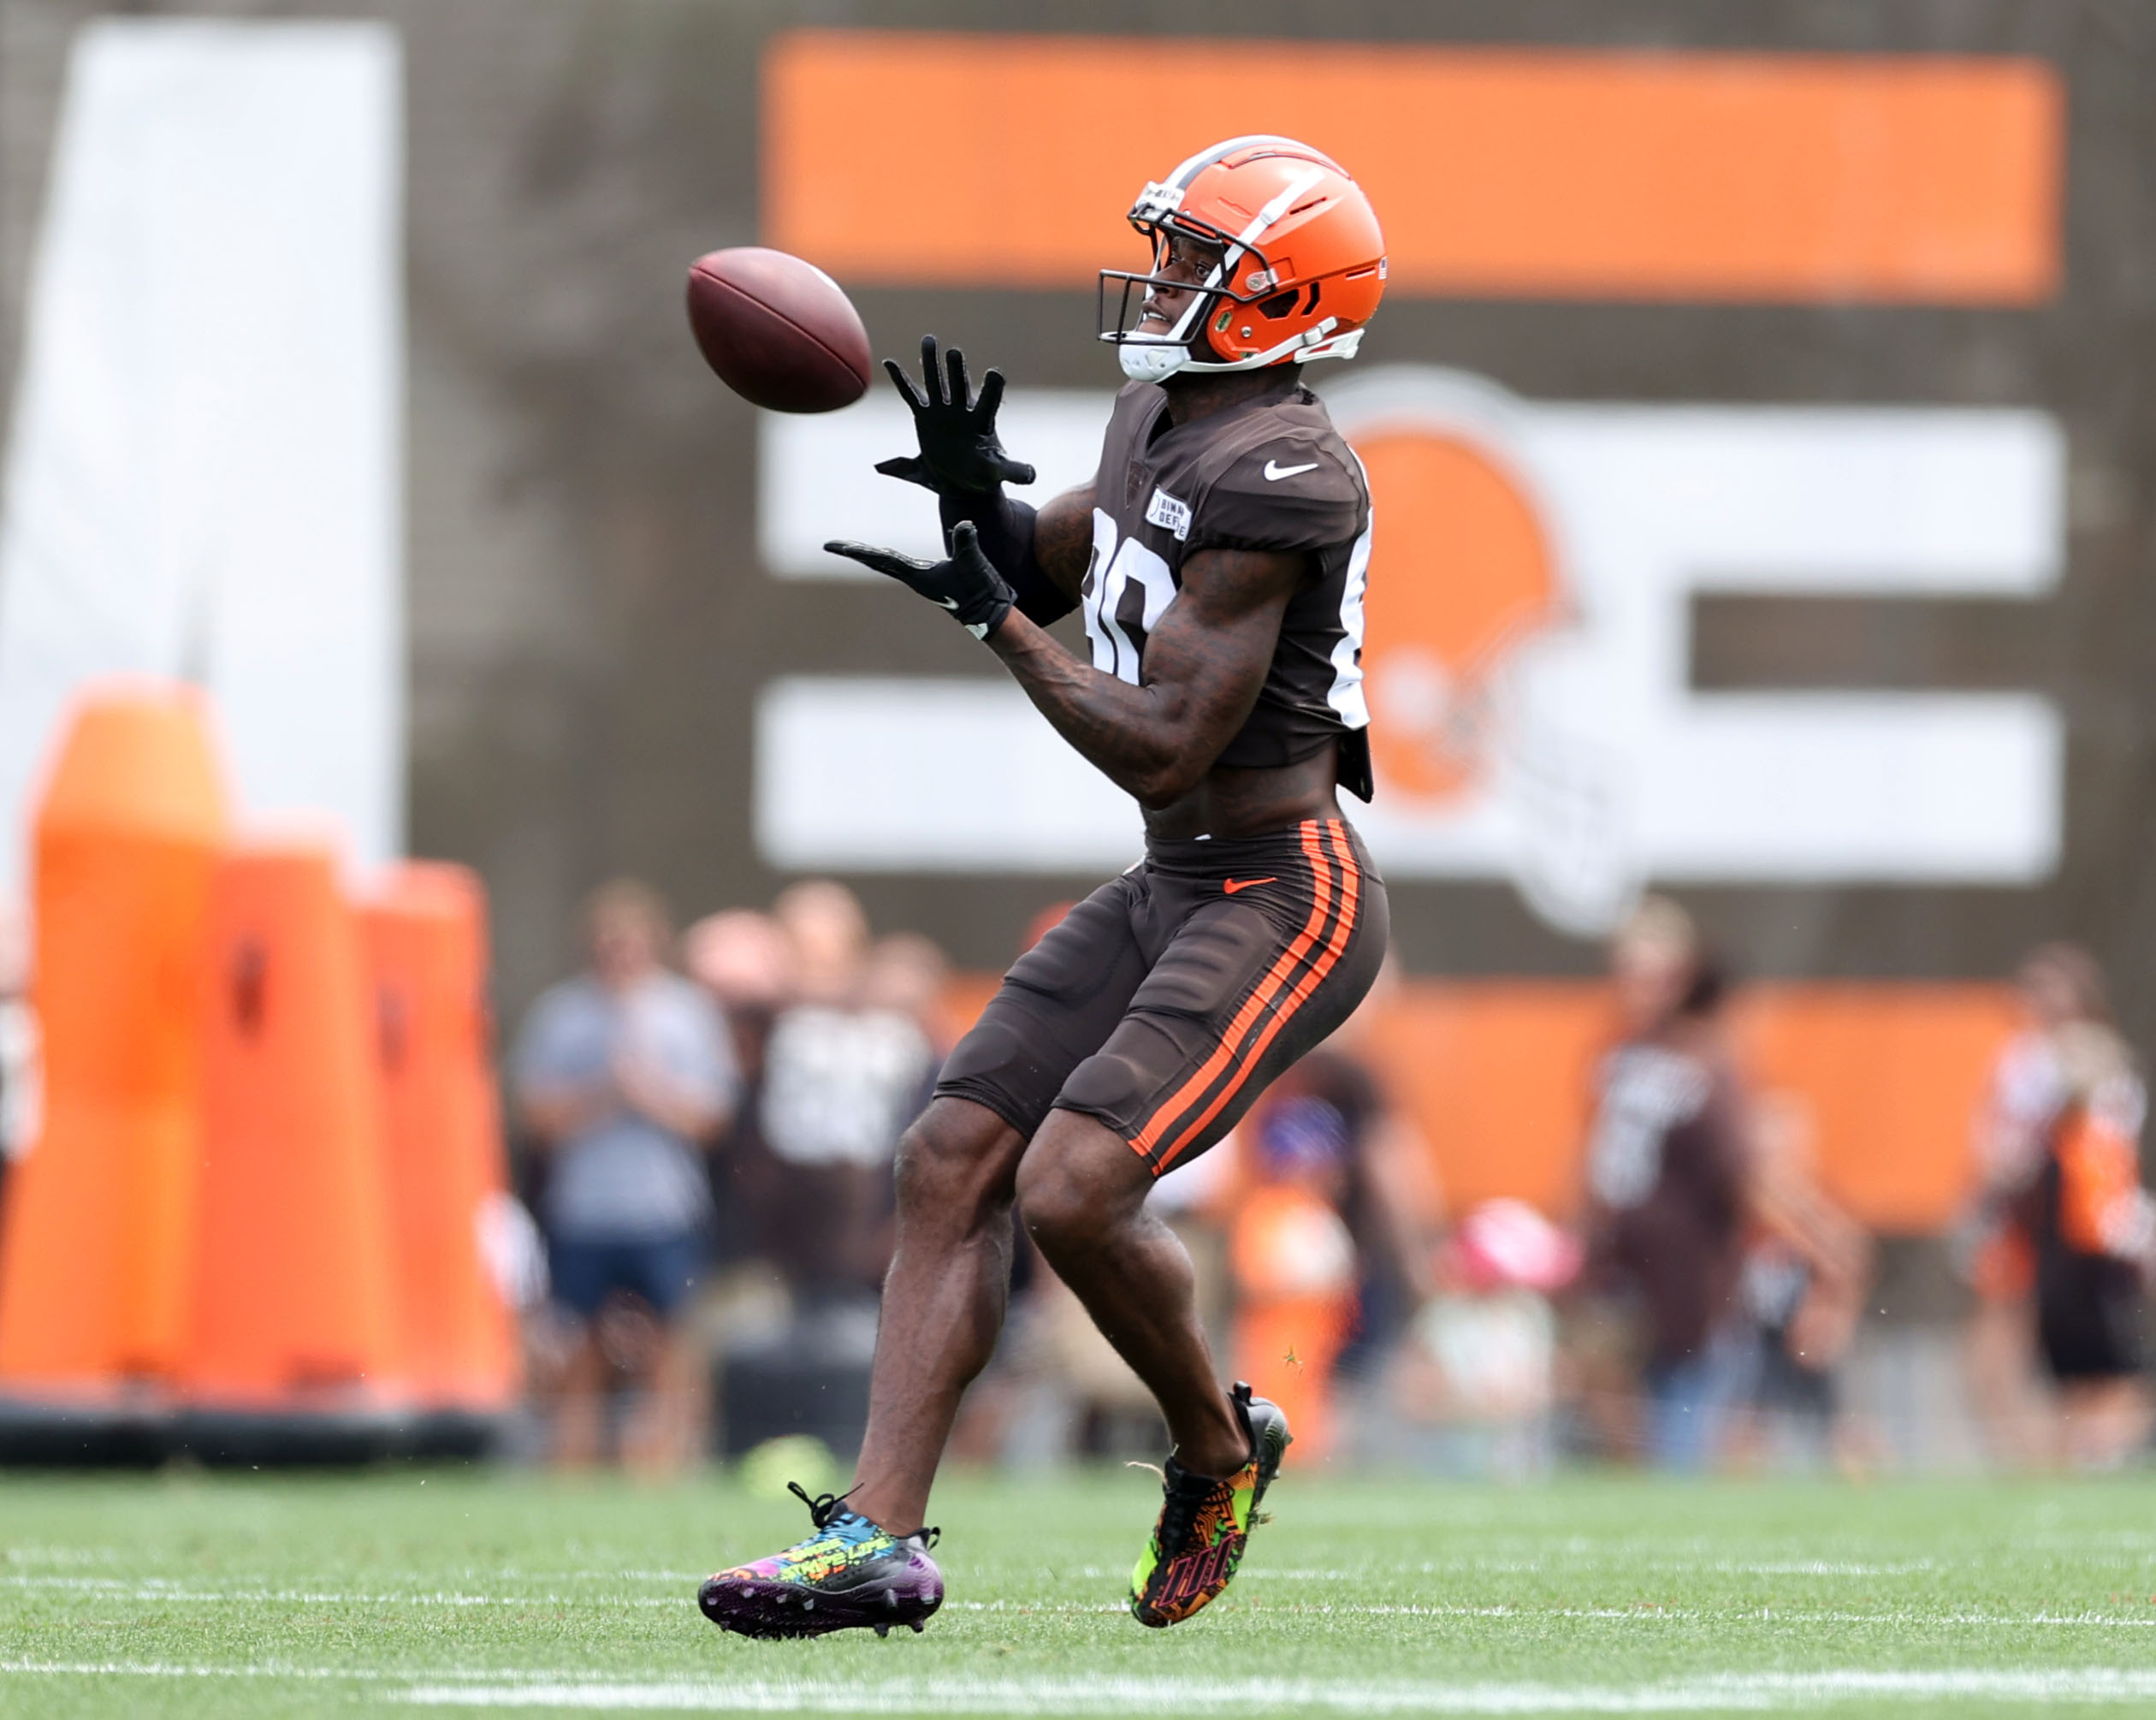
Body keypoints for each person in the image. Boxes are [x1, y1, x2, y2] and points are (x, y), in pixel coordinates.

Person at [699, 136, 1389, 1639]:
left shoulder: (1288, 471)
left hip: (1285, 889)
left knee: (1077, 1188)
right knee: (949, 1155)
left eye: (1197, 264)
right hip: (1176, 879)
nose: (1158, 282)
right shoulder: (1168, 412)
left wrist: (998, 620)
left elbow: (1161, 743)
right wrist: (977, 511)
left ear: (1285, 304)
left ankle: (1216, 1452)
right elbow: (1062, 562)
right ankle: (877, 1537)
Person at [513, 880, 735, 1471]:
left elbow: (713, 1115)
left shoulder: (686, 1013)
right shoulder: (562, 1014)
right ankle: (574, 1460)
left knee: (671, 1343)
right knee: (580, 1344)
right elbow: (537, 1114)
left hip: (664, 1208)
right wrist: (603, 1096)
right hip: (585, 1207)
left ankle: (664, 1461)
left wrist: (651, 1094)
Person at [1569, 896, 1754, 1471]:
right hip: (1621, 1269)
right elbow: (1596, 1161)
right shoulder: (1616, 1054)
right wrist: (1580, 1236)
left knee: (1682, 1445)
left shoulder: (1707, 1057)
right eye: (1625, 970)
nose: (1635, 986)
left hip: (1690, 1278)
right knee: (1608, 1419)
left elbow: (1742, 1174)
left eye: (1651, 973)